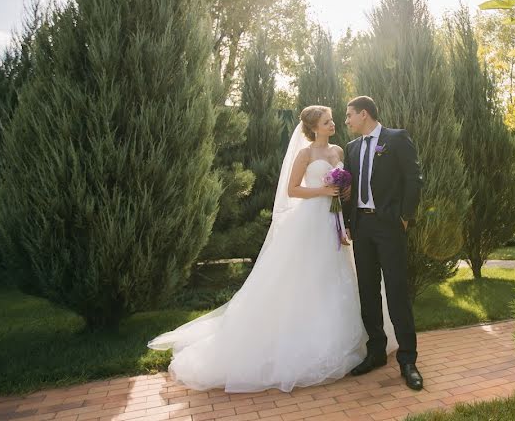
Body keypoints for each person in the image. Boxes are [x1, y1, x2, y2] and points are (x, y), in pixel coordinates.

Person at [147, 105, 395, 393]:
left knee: (338, 274)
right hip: (310, 221)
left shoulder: (339, 152)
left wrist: (344, 192)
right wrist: (322, 191)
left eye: (332, 120)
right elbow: (292, 190)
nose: (333, 124)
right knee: (306, 276)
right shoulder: (305, 155)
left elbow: (345, 188)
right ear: (315, 127)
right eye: (327, 121)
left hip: (333, 219)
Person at [343, 95, 424, 391]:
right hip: (362, 228)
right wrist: (349, 223)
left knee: (396, 291)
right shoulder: (351, 148)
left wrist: (405, 217)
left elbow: (414, 179)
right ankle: (376, 351)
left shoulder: (396, 139)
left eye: (349, 115)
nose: (347, 120)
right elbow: (348, 189)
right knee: (367, 291)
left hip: (389, 226)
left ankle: (407, 359)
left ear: (364, 114)